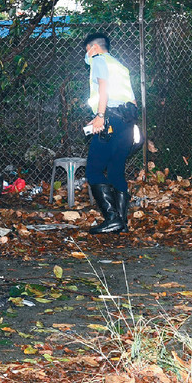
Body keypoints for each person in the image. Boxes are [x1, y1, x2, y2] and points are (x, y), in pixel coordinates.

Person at [82, 32, 137, 234]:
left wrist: (100, 115)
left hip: (110, 119)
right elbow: (132, 99)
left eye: (87, 50)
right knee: (115, 170)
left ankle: (112, 218)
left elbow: (103, 87)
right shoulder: (119, 66)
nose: (87, 55)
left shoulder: (98, 59)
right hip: (128, 121)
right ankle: (121, 223)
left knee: (94, 170)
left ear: (94, 48)